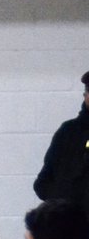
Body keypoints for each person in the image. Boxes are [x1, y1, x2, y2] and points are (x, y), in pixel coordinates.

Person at [34, 70, 89, 215]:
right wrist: (62, 201)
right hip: (69, 227)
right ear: (85, 97)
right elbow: (42, 183)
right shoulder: (68, 132)